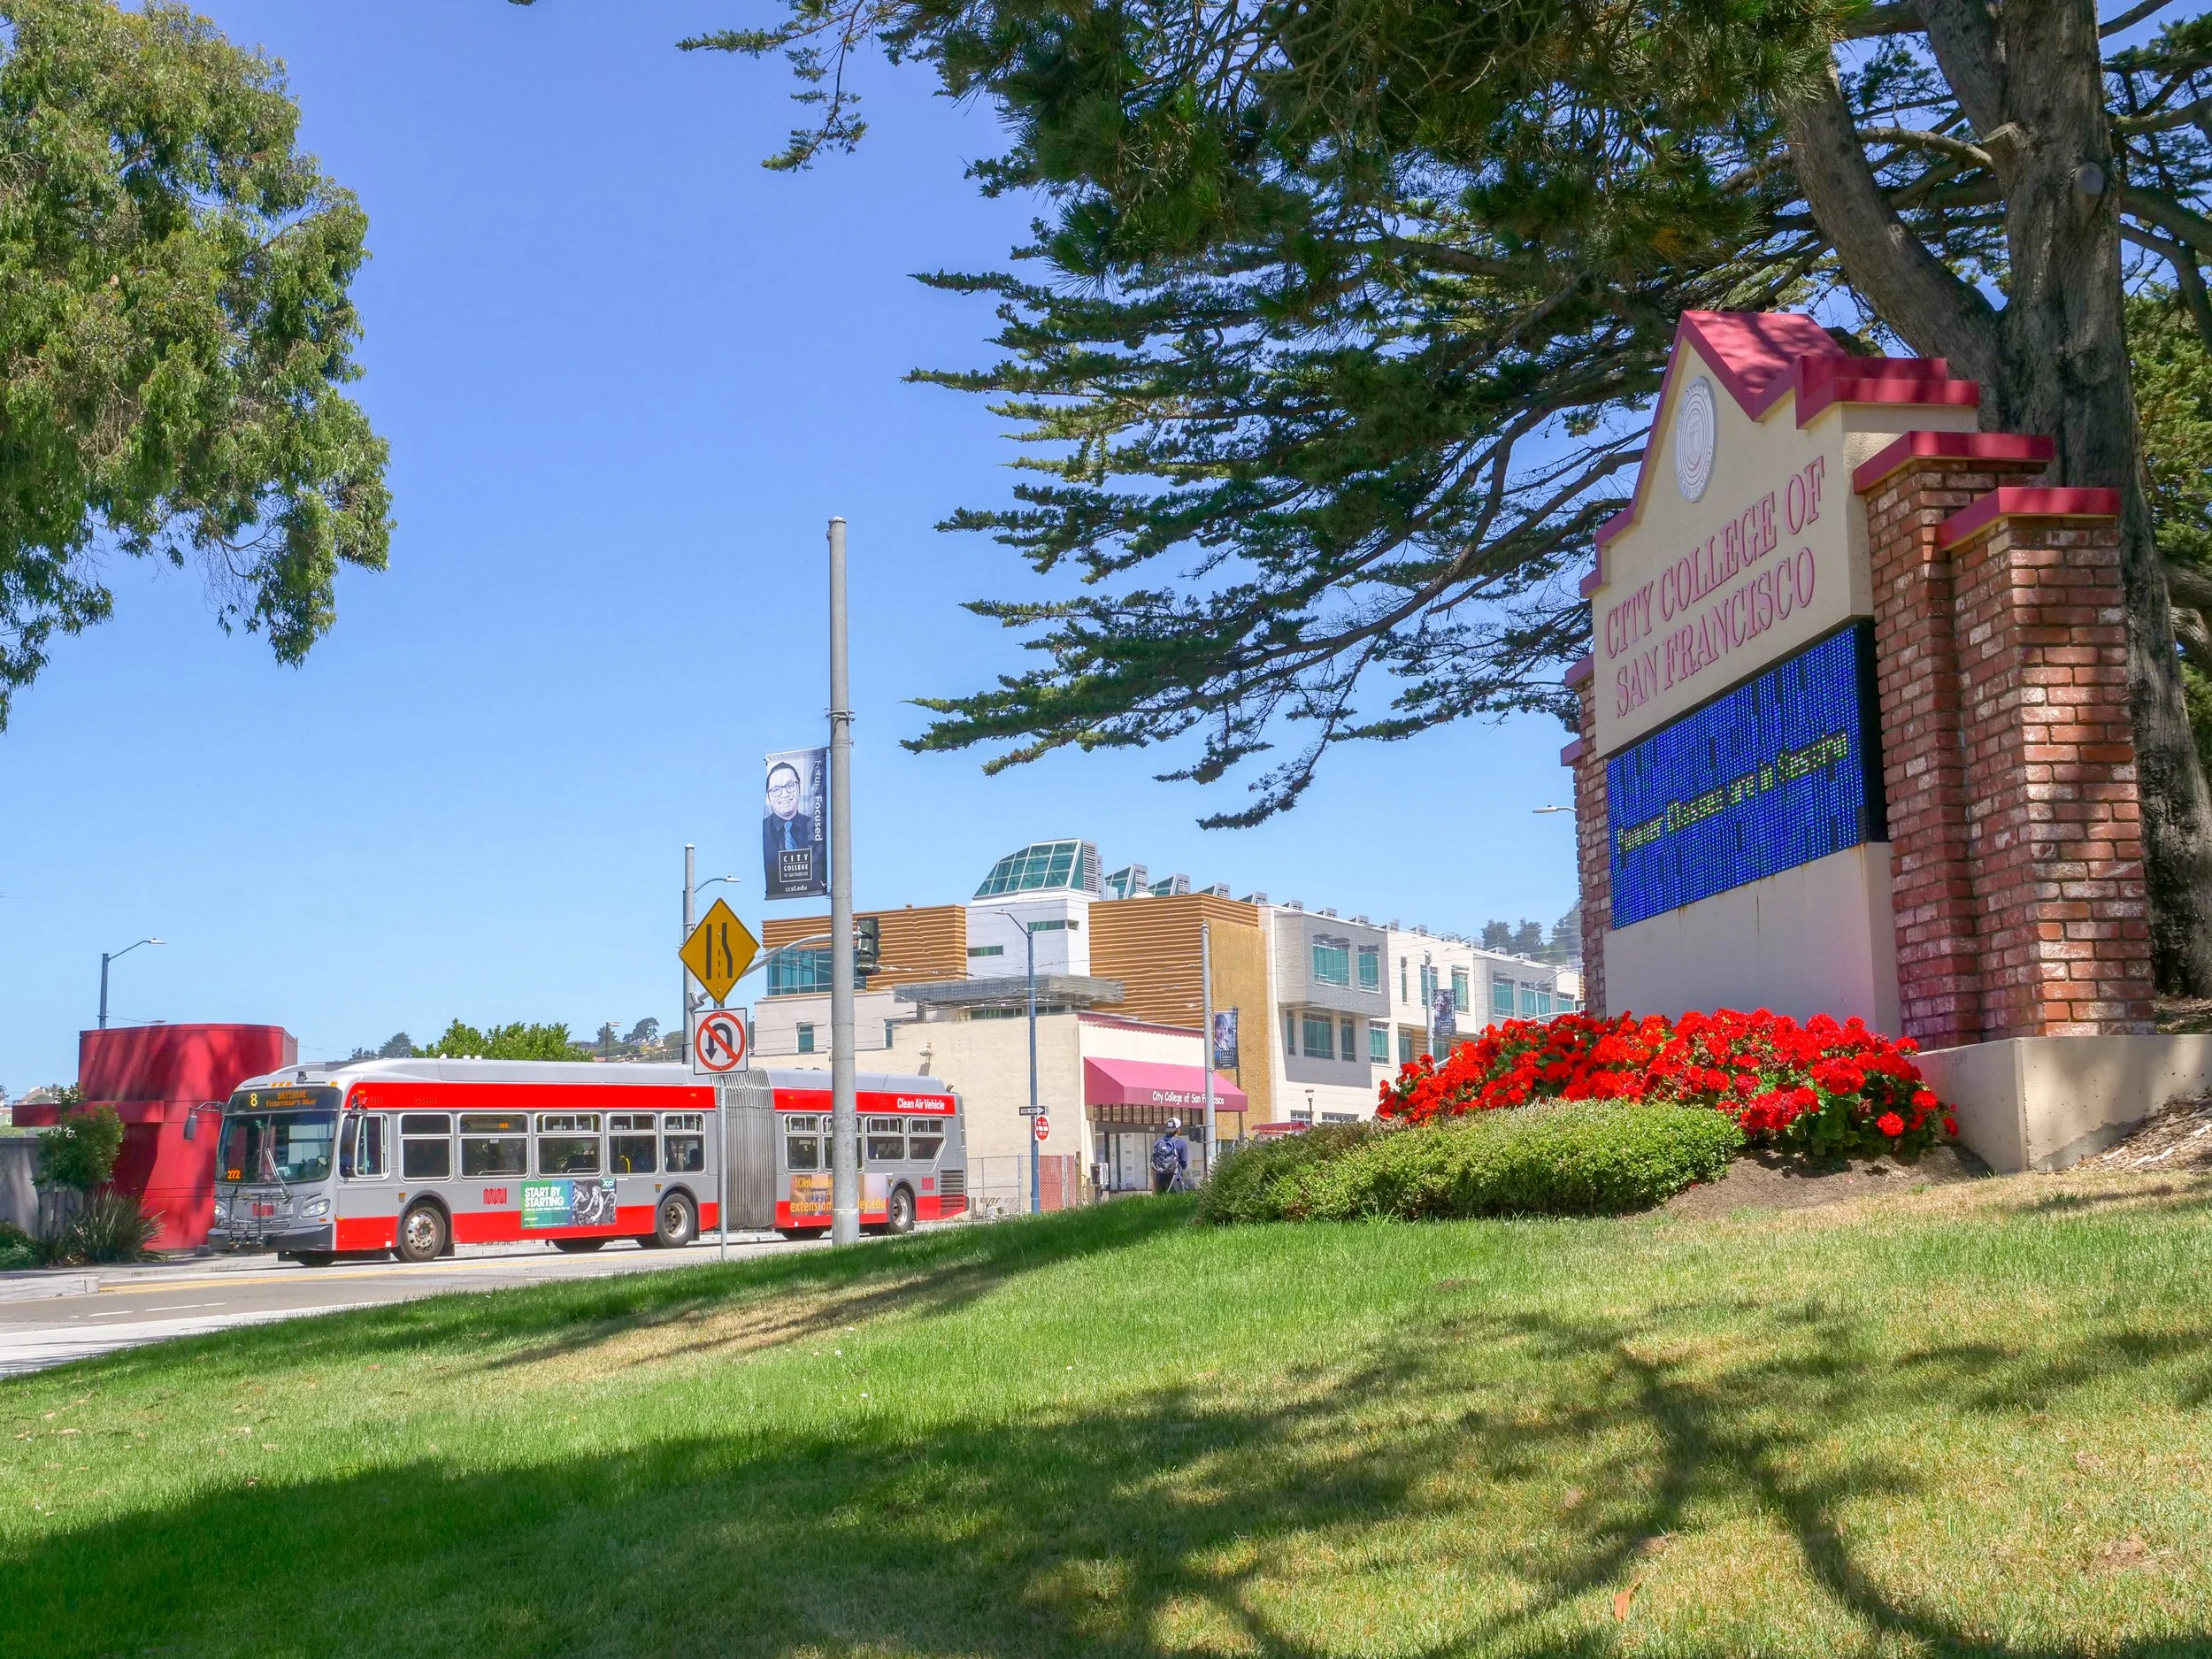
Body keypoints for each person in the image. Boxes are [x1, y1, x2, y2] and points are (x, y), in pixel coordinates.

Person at [1150, 1118, 1190, 1194]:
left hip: (1159, 1179)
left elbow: (1153, 1163)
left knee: (1160, 1204)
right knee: (1176, 1203)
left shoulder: (1159, 1142)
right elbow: (1184, 1163)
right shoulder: (1181, 1143)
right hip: (1174, 1179)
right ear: (1178, 1129)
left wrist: (1154, 1184)